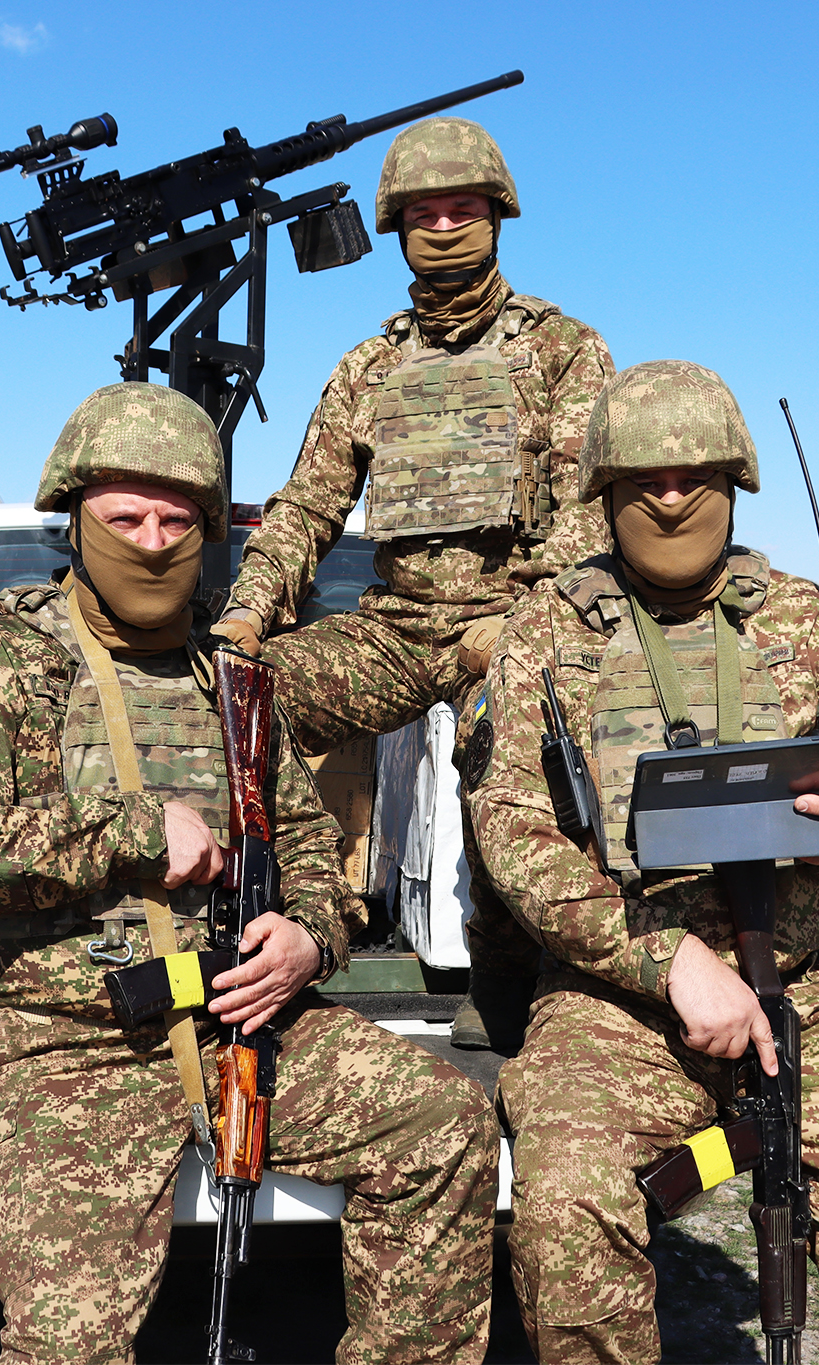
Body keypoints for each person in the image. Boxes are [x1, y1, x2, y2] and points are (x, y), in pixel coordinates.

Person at [0, 382, 499, 1365]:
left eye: (177, 518)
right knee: (67, 1343)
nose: (152, 539)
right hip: (66, 1049)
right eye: (125, 515)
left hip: (240, 1026)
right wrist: (129, 828)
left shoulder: (232, 683)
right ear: (75, 517)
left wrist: (309, 936)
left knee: (445, 1126)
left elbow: (307, 849)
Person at [468, 361, 819, 1363]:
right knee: (564, 1212)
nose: (667, 494)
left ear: (730, 481)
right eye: (642, 477)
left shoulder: (802, 620)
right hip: (619, 1003)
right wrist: (667, 963)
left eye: (691, 473)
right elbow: (513, 840)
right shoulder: (544, 636)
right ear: (604, 490)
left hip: (806, 993)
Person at [212, 116, 615, 1052]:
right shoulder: (371, 366)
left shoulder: (562, 350)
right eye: (423, 212)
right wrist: (242, 620)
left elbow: (589, 518)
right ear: (396, 227)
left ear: (497, 216)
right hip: (394, 627)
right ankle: (289, 926)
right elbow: (307, 505)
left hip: (518, 623)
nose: (443, 227)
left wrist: (519, 627)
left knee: (508, 762)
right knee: (242, 706)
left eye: (462, 208)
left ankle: (507, 984)